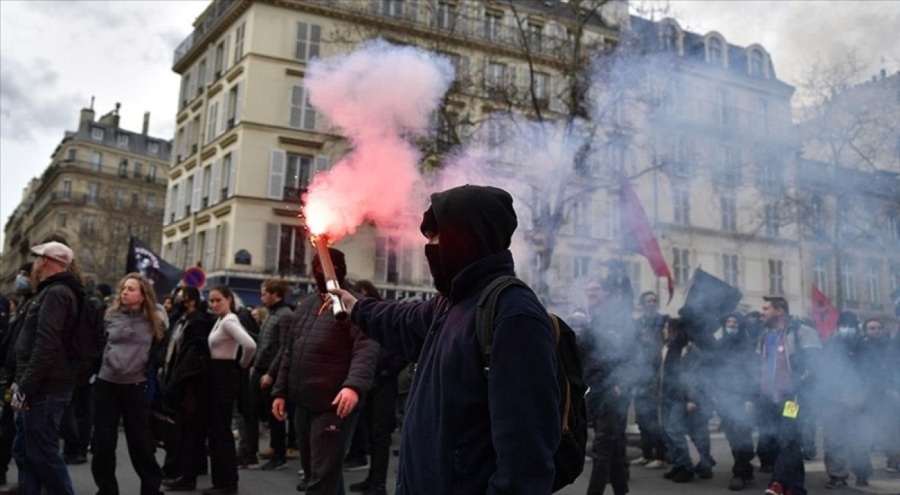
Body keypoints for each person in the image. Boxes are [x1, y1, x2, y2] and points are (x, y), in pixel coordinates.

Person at [330, 185, 561, 494]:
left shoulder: (514, 315)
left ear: (470, 239)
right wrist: (357, 307)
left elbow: (525, 455)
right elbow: (401, 321)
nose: (429, 247)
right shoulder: (450, 302)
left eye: (436, 237)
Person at [272, 248, 378, 494]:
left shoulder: (355, 306)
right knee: (317, 473)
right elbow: (290, 351)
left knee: (322, 478)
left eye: (325, 266)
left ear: (339, 270)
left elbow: (366, 349)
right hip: (304, 402)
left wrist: (353, 387)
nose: (319, 272)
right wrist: (280, 391)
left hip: (334, 404)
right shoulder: (306, 305)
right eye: (316, 267)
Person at [11, 241, 81, 495]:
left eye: (39, 258)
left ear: (48, 262)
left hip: (45, 388)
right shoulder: (49, 291)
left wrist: (26, 387)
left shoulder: (56, 293)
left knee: (43, 454)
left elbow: (46, 345)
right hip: (37, 385)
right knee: (25, 451)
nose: (35, 263)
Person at [91, 273, 166, 495]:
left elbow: (160, 349)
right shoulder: (109, 315)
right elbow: (98, 343)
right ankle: (106, 490)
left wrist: (151, 365)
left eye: (131, 289)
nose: (125, 292)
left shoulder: (154, 319)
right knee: (103, 444)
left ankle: (151, 489)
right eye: (123, 288)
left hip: (135, 385)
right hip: (107, 383)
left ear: (143, 295)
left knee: (140, 443)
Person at [750, 296, 821, 495]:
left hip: (792, 399)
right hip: (769, 400)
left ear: (780, 310)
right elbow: (758, 368)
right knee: (779, 443)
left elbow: (815, 364)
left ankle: (778, 482)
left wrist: (798, 385)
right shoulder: (765, 336)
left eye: (766, 309)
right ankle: (796, 488)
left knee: (788, 438)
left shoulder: (802, 332)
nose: (762, 313)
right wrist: (755, 396)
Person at [347, 280, 408, 495]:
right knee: (372, 433)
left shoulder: (384, 317)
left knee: (380, 435)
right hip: (372, 380)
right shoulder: (368, 319)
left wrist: (386, 372)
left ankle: (378, 483)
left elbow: (401, 350)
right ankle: (372, 478)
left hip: (383, 383)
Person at [199, 285, 257, 495]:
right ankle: (222, 481)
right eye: (211, 300)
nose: (214, 304)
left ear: (229, 299)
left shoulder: (229, 320)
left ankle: (226, 483)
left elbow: (250, 345)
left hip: (223, 375)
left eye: (218, 300)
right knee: (218, 430)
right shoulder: (221, 320)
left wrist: (241, 365)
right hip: (218, 374)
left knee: (221, 430)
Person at [583, 272, 634, 495]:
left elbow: (629, 354)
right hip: (595, 388)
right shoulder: (591, 318)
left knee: (602, 445)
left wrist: (621, 381)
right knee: (610, 445)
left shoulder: (618, 318)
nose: (591, 293)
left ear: (606, 293)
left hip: (613, 389)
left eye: (595, 289)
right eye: (589, 290)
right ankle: (622, 490)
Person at [161, 286, 215, 491]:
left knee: (190, 430)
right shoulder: (180, 320)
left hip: (189, 383)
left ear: (191, 300)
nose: (177, 300)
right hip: (175, 375)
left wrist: (180, 379)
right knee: (182, 429)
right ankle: (182, 469)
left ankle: (186, 475)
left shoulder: (198, 323)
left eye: (181, 297)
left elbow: (192, 356)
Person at [244, 278, 293, 471]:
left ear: (275, 294)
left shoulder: (285, 315)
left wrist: (271, 373)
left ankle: (280, 454)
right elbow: (265, 342)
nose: (261, 297)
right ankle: (259, 451)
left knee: (275, 415)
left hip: (270, 371)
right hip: (260, 368)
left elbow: (284, 347)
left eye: (264, 293)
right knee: (253, 410)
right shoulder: (273, 313)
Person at [820, 312, 871, 488]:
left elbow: (871, 375)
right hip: (833, 401)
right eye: (844, 325)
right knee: (834, 440)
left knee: (860, 440)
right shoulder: (830, 347)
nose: (847, 329)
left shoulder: (864, 348)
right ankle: (837, 475)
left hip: (859, 401)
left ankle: (862, 472)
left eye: (850, 326)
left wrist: (861, 397)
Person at [711, 313, 757, 491]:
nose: (731, 325)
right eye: (728, 322)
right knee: (732, 436)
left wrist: (750, 398)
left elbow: (753, 373)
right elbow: (714, 371)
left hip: (742, 397)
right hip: (724, 397)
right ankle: (745, 467)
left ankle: (739, 473)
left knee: (742, 435)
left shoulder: (747, 345)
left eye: (735, 322)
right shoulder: (720, 345)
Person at [0, 262, 34, 486]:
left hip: (21, 378)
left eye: (24, 274)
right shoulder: (25, 303)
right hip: (13, 375)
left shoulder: (35, 302)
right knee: (9, 426)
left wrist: (17, 379)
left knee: (16, 430)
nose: (19, 278)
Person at [630, 291, 667, 470]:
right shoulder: (638, 323)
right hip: (640, 375)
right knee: (643, 418)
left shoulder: (664, 321)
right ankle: (646, 454)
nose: (652, 303)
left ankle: (661, 456)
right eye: (648, 301)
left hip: (658, 375)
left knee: (655, 420)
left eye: (654, 300)